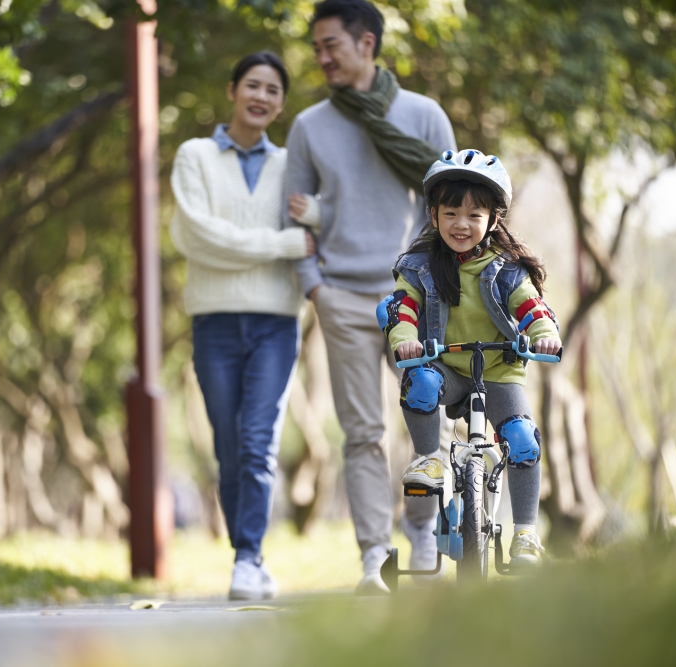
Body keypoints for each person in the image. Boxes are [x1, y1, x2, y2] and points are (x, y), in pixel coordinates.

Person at [283, 0, 457, 594]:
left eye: (330, 45)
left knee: (428, 423)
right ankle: (374, 558)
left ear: (366, 43)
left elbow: (453, 209)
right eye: (316, 49)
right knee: (362, 434)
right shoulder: (309, 127)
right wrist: (314, 286)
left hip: (414, 298)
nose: (322, 58)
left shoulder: (424, 116)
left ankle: (424, 530)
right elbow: (295, 218)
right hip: (343, 299)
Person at [170, 52, 317, 600]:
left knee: (258, 441)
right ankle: (247, 555)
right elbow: (197, 236)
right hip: (213, 323)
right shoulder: (195, 156)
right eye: (252, 85)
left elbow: (325, 217)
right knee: (229, 448)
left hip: (277, 323)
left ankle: (247, 558)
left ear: (281, 104)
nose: (261, 97)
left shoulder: (292, 164)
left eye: (273, 90)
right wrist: (283, 244)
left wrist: (313, 221)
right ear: (232, 90)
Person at [382, 148, 562, 566]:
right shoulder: (420, 266)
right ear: (433, 215)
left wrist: (545, 335)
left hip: (497, 372)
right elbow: (402, 308)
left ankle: (525, 534)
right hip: (445, 367)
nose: (461, 224)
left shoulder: (506, 269)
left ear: (493, 220)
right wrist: (405, 339)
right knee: (419, 381)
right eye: (451, 213)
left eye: (474, 215)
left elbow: (532, 308)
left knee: (522, 439)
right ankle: (429, 460)